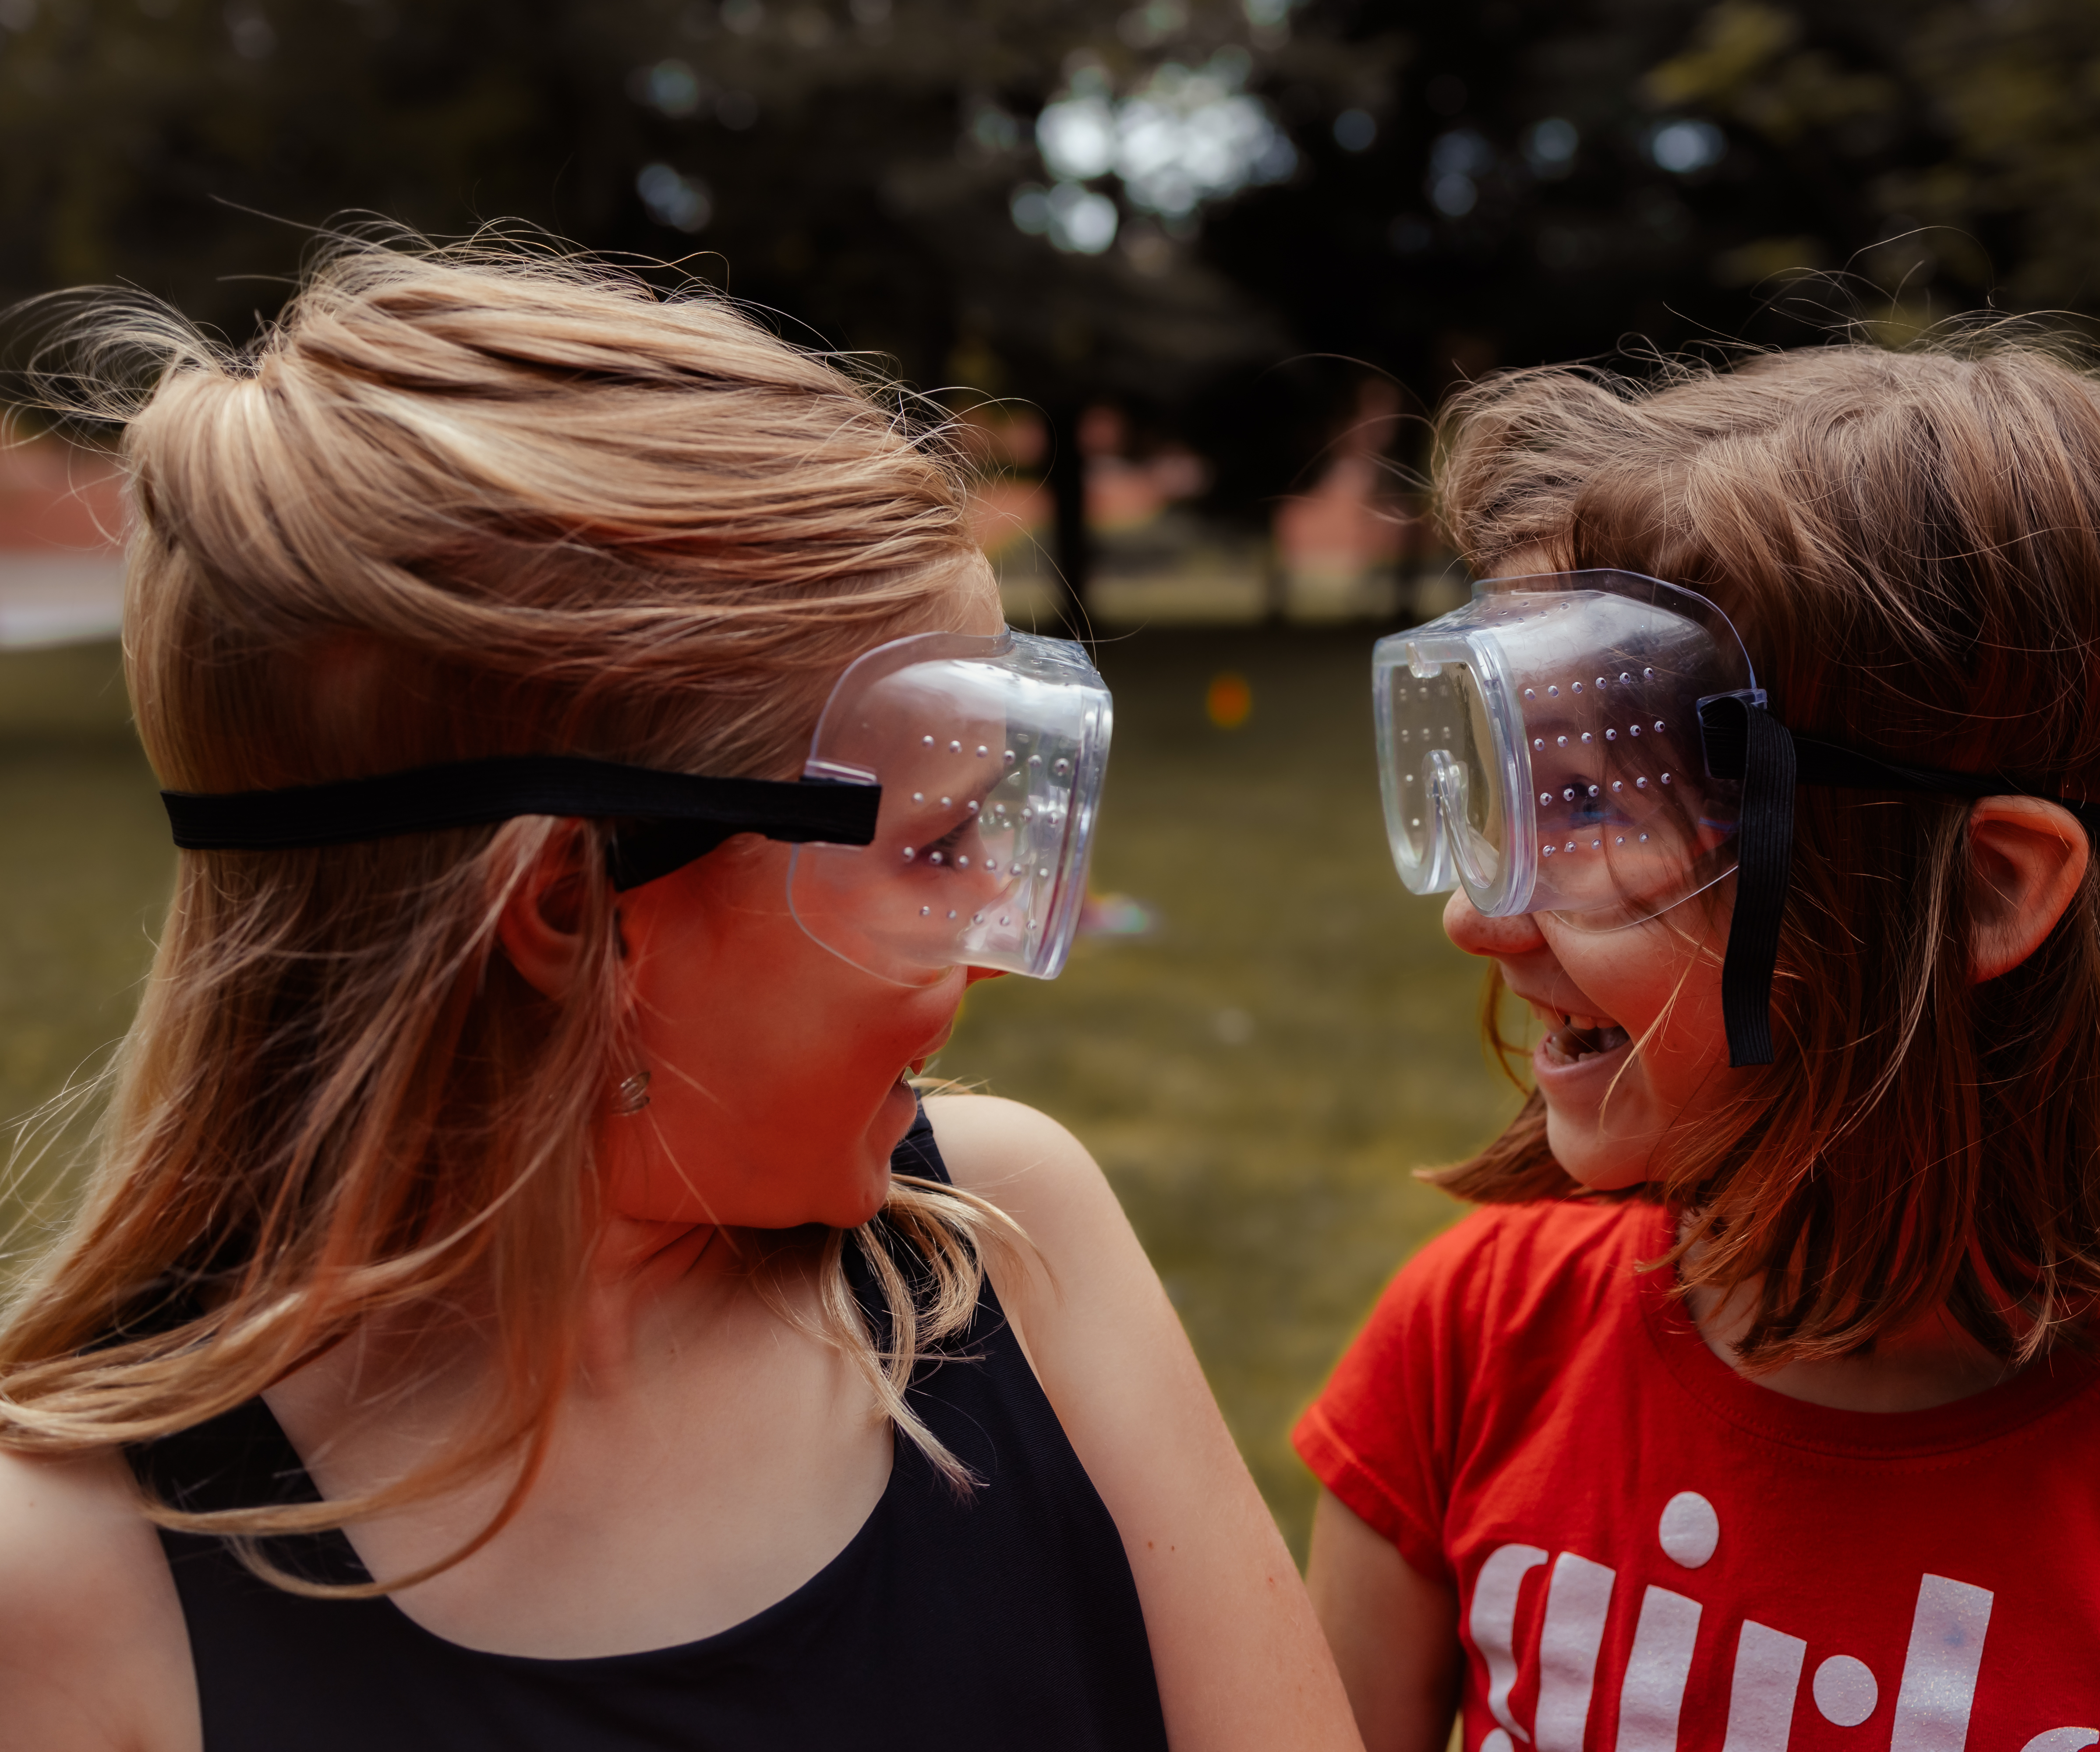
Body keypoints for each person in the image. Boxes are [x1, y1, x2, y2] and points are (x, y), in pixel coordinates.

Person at [0, 241, 1360, 1752]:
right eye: (936, 841)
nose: (990, 934)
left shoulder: (1010, 1249)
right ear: (576, 913)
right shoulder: (66, 1589)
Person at [1302, 345, 2100, 1749]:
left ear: (1987, 889)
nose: (1481, 915)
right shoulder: (1477, 1345)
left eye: (1595, 807)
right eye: (1518, 798)